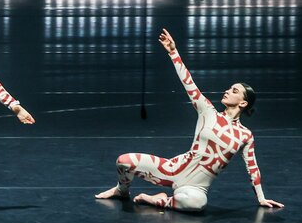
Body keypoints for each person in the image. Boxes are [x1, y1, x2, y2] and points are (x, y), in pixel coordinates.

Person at [95, 28, 284, 211]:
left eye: (234, 91)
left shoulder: (245, 135)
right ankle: (121, 190)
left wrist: (261, 198)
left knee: (197, 204)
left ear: (243, 103)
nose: (227, 91)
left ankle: (158, 200)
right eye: (229, 88)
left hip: (195, 188)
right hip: (171, 170)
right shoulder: (208, 111)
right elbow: (189, 83)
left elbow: (252, 168)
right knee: (124, 161)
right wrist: (173, 53)